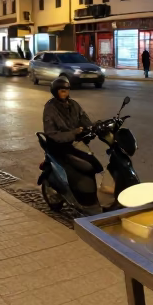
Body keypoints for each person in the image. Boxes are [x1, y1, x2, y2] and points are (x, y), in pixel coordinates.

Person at [42, 77, 102, 213]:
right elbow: (52, 133)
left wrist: (94, 127)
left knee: (95, 164)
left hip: (74, 143)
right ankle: (82, 198)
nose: (65, 94)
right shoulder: (50, 108)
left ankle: (89, 196)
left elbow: (84, 119)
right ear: (55, 92)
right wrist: (73, 133)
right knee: (85, 166)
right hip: (59, 145)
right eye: (62, 91)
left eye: (67, 91)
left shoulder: (73, 104)